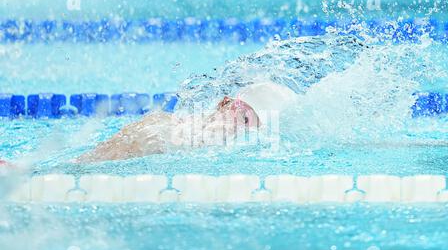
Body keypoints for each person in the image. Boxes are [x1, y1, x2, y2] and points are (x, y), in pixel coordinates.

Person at [76, 80, 297, 163]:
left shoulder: (205, 146)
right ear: (224, 103)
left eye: (250, 129)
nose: (240, 131)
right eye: (244, 118)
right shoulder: (167, 131)